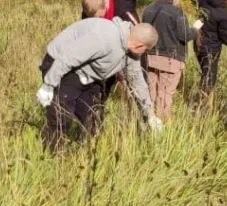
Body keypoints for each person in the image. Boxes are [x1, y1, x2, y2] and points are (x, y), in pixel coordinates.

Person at [37, 17, 161, 150]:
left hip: (88, 75)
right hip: (62, 67)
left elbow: (136, 80)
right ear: (140, 46)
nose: (144, 54)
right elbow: (68, 57)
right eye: (146, 51)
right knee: (61, 116)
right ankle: (56, 157)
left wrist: (150, 114)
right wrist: (48, 85)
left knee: (93, 118)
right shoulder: (105, 38)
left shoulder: (131, 52)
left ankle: (86, 157)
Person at [142, 0, 202, 121]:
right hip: (170, 60)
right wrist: (195, 28)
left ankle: (148, 122)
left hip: (149, 58)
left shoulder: (148, 9)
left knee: (151, 93)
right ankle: (162, 128)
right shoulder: (176, 12)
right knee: (165, 95)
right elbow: (185, 35)